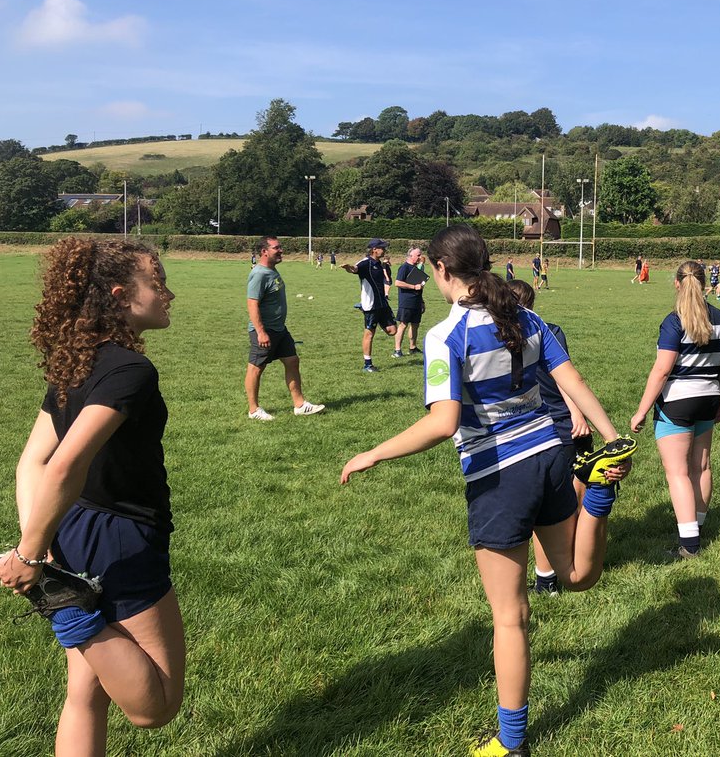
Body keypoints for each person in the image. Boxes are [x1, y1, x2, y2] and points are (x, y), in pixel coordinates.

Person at [340, 224, 634, 757]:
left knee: (510, 616)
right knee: (576, 577)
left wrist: (375, 452)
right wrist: (613, 438)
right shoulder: (523, 314)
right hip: (551, 455)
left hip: (500, 476)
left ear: (442, 270)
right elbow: (571, 381)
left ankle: (511, 744)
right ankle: (597, 494)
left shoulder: (444, 335)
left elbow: (442, 423)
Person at [0, 238, 185, 753]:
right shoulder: (129, 371)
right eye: (157, 281)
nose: (169, 293)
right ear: (121, 295)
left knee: (85, 691)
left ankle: (65, 598)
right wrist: (32, 556)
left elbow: (32, 461)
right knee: (155, 705)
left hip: (71, 530)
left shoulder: (76, 362)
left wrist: (43, 544)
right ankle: (70, 610)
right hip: (120, 537)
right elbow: (63, 465)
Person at [507, 279, 622, 596]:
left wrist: (575, 413)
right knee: (567, 503)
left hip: (546, 426)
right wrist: (577, 413)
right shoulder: (544, 330)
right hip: (556, 424)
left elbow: (563, 377)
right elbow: (568, 378)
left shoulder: (506, 336)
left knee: (557, 506)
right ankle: (558, 570)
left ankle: (550, 576)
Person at [630, 261, 720, 558]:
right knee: (701, 467)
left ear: (677, 283)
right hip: (709, 398)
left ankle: (689, 543)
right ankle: (697, 526)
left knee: (678, 473)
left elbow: (662, 371)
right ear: (704, 284)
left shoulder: (674, 321)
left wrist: (640, 411)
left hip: (677, 402)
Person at [245, 236, 324, 419]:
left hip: (280, 329)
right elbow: (252, 304)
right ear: (264, 251)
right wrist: (261, 332)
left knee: (292, 361)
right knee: (256, 368)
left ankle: (300, 405)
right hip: (265, 330)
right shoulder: (259, 274)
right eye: (276, 248)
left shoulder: (272, 271)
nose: (281, 250)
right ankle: (254, 410)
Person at [342, 238, 396, 372]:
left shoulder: (380, 264)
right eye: (382, 248)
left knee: (392, 330)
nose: (384, 250)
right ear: (374, 249)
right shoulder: (365, 263)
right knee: (369, 334)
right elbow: (355, 269)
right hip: (371, 306)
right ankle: (367, 364)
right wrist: (348, 267)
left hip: (383, 303)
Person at [391, 246, 427, 358]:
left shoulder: (417, 268)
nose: (421, 257)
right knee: (403, 324)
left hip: (416, 301)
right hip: (406, 301)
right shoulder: (404, 267)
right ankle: (397, 350)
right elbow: (397, 283)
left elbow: (420, 287)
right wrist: (413, 286)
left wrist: (421, 301)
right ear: (411, 256)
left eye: (420, 254)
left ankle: (413, 347)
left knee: (415, 324)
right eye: (418, 255)